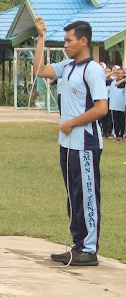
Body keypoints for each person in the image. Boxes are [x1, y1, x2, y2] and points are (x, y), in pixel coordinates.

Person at [34, 17, 107, 266]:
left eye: (69, 40)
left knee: (87, 194)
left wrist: (72, 122)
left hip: (85, 144)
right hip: (67, 144)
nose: (65, 44)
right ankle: (77, 245)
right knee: (73, 194)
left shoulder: (93, 70)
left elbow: (101, 109)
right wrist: (41, 38)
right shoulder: (68, 66)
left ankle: (89, 249)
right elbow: (39, 71)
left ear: (83, 41)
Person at [108, 68, 125, 140]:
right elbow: (115, 84)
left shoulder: (124, 83)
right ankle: (116, 135)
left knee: (123, 121)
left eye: (122, 73)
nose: (120, 75)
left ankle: (122, 136)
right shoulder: (112, 82)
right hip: (114, 105)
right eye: (118, 73)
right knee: (115, 122)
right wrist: (113, 72)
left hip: (123, 105)